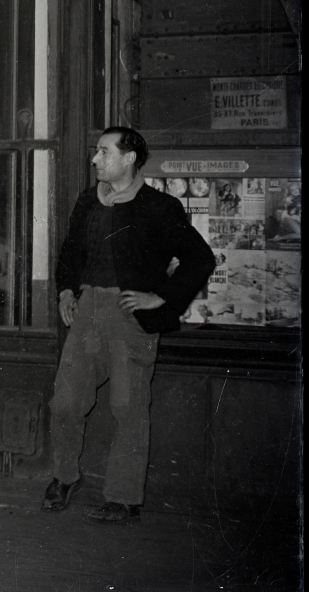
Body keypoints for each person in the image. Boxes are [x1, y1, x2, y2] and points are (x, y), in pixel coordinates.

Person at [43, 128, 214, 524]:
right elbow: (70, 251)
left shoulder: (159, 206)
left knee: (128, 406)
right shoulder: (88, 201)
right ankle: (65, 477)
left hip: (129, 315)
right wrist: (66, 292)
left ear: (130, 157)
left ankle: (123, 498)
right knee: (65, 401)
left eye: (104, 152)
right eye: (96, 152)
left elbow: (200, 259)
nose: (95, 160)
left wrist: (162, 297)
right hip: (87, 311)